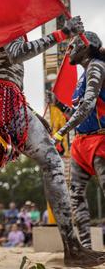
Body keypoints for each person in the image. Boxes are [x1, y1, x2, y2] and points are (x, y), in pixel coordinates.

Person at [0, 14, 105, 267]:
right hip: (6, 100)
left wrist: (32, 113)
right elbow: (16, 54)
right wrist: (62, 33)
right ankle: (72, 248)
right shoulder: (5, 19)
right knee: (53, 163)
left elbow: (1, 68)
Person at [51, 31, 105, 249]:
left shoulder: (97, 66)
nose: (68, 51)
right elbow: (79, 109)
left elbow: (89, 104)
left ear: (86, 46)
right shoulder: (83, 75)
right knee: (75, 197)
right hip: (81, 144)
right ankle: (86, 249)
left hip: (100, 141)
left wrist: (61, 132)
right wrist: (61, 106)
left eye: (73, 46)